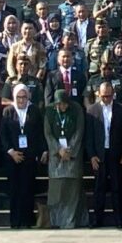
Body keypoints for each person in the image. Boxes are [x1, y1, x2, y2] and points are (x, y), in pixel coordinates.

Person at [85, 76, 122, 227]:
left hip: (115, 154)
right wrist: (91, 156)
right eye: (103, 96)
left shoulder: (121, 110)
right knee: (99, 188)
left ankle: (119, 219)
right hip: (100, 154)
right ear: (98, 94)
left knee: (117, 187)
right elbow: (88, 136)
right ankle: (97, 219)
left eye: (109, 96)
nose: (106, 98)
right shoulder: (92, 111)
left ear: (113, 94)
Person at [0, 81, 41, 228]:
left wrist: (34, 152)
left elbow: (38, 134)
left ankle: (27, 220)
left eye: (24, 97)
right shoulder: (8, 111)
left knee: (28, 189)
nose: (21, 100)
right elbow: (3, 135)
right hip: (12, 157)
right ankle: (15, 221)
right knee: (14, 190)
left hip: (29, 157)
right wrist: (11, 152)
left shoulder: (34, 110)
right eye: (18, 97)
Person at [45, 79, 84, 229]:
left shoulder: (77, 109)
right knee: (57, 189)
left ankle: (70, 221)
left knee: (72, 190)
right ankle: (56, 221)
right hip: (56, 157)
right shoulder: (49, 111)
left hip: (73, 155)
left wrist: (70, 150)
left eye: (62, 104)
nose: (60, 107)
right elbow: (48, 133)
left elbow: (79, 132)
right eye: (57, 104)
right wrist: (58, 150)